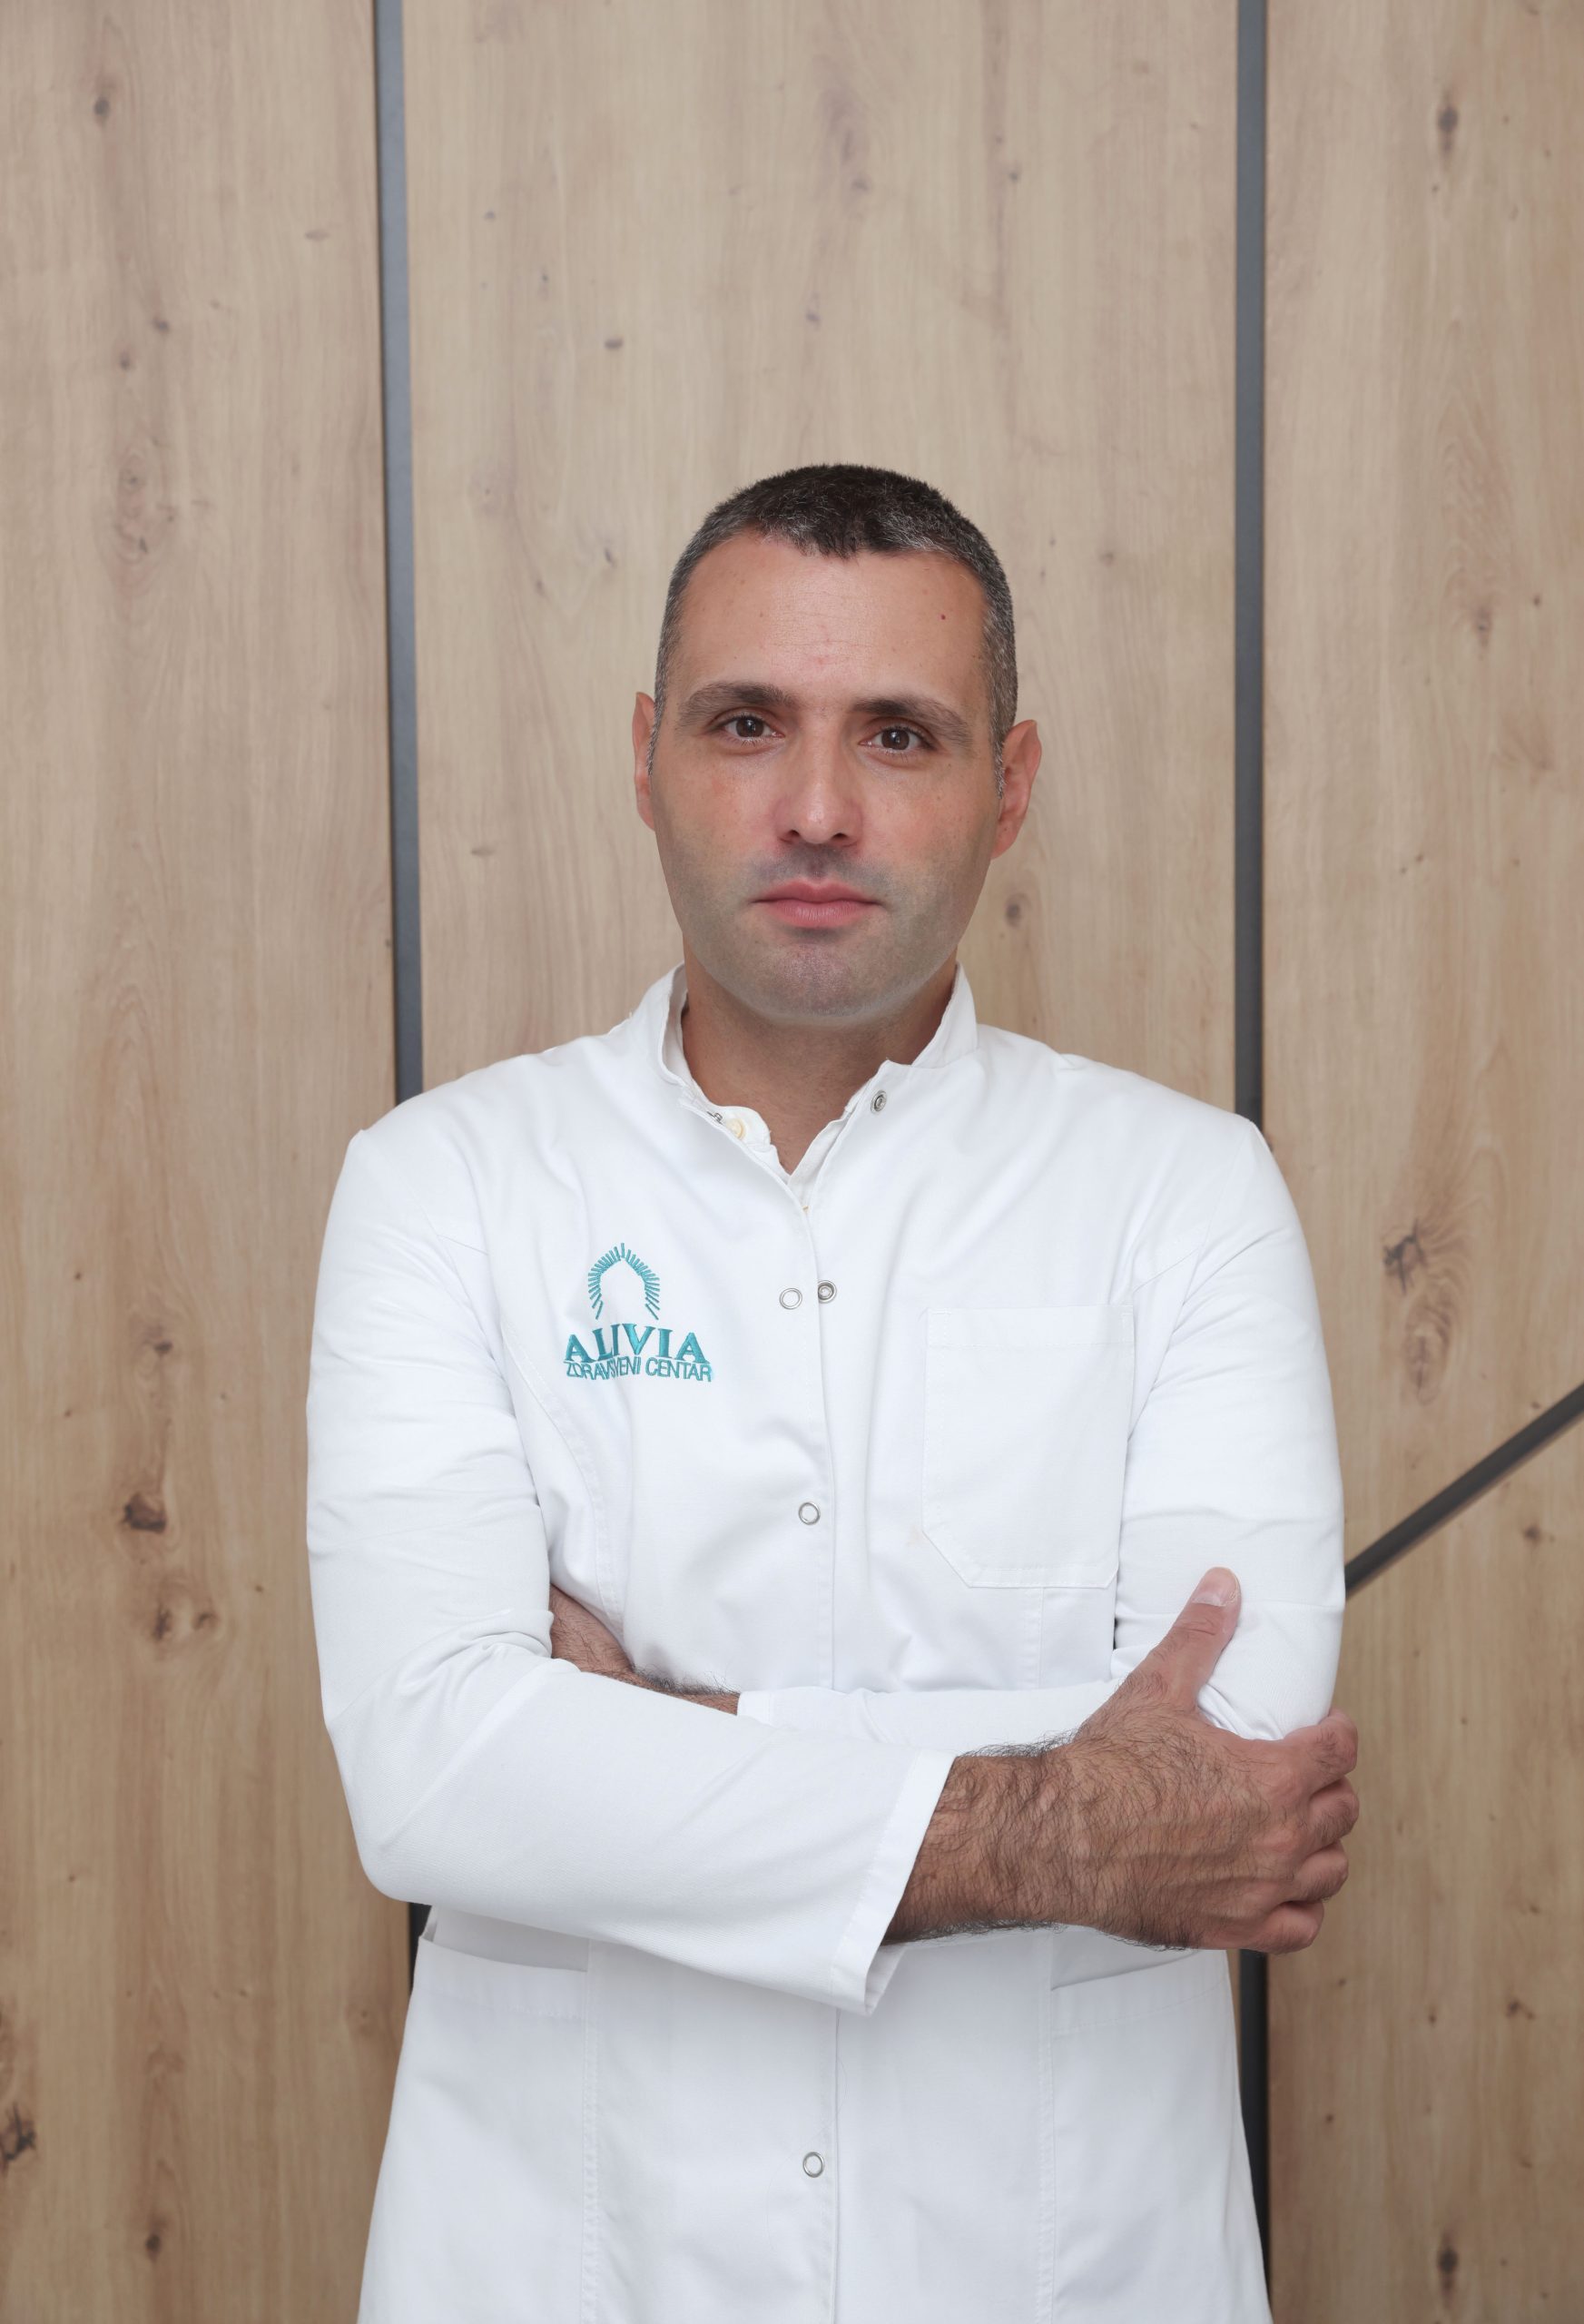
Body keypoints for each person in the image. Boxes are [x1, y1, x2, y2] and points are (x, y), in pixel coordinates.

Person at [305, 463, 1358, 2324]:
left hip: (1063, 2259)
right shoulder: (442, 1185)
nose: (815, 807)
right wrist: (1055, 1817)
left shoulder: (1184, 1194)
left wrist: (659, 1728)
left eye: (897, 732)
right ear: (646, 758)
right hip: (571, 2257)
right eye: (745, 725)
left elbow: (1232, 1763)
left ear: (1007, 785)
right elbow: (436, 1773)